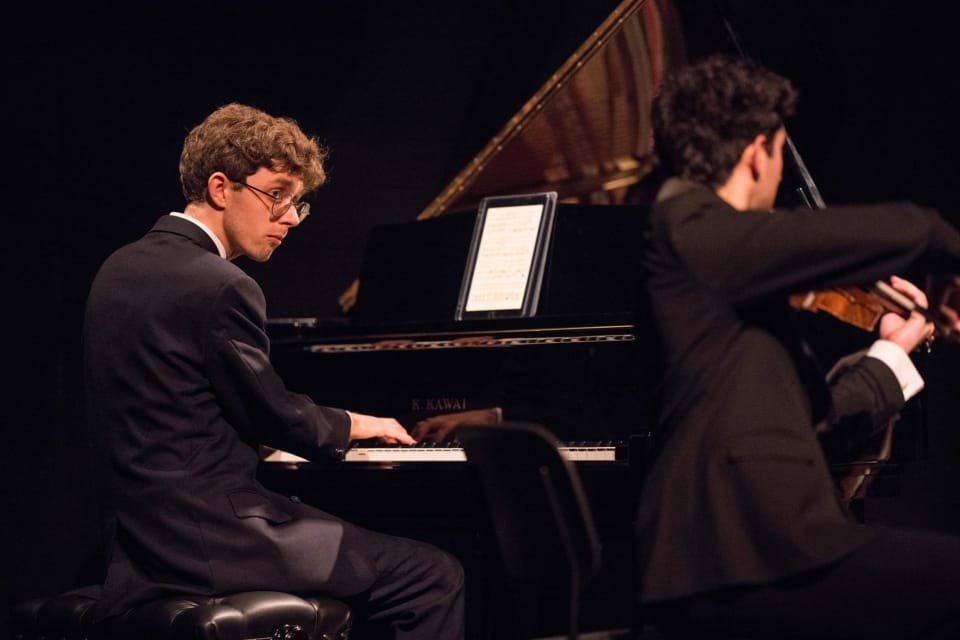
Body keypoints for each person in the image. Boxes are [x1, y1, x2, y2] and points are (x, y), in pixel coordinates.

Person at [83, 103, 465, 639]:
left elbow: (181, 404)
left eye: (297, 202)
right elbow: (275, 415)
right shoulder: (220, 284)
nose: (290, 217)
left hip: (137, 540)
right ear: (221, 188)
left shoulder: (119, 268)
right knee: (433, 575)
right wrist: (355, 423)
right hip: (214, 541)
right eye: (277, 194)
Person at [636, 54, 960, 639]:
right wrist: (938, 238)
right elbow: (870, 233)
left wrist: (893, 350)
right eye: (782, 152)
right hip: (736, 557)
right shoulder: (683, 224)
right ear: (758, 151)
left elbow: (814, 429)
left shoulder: (728, 289)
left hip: (756, 552)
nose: (780, 171)